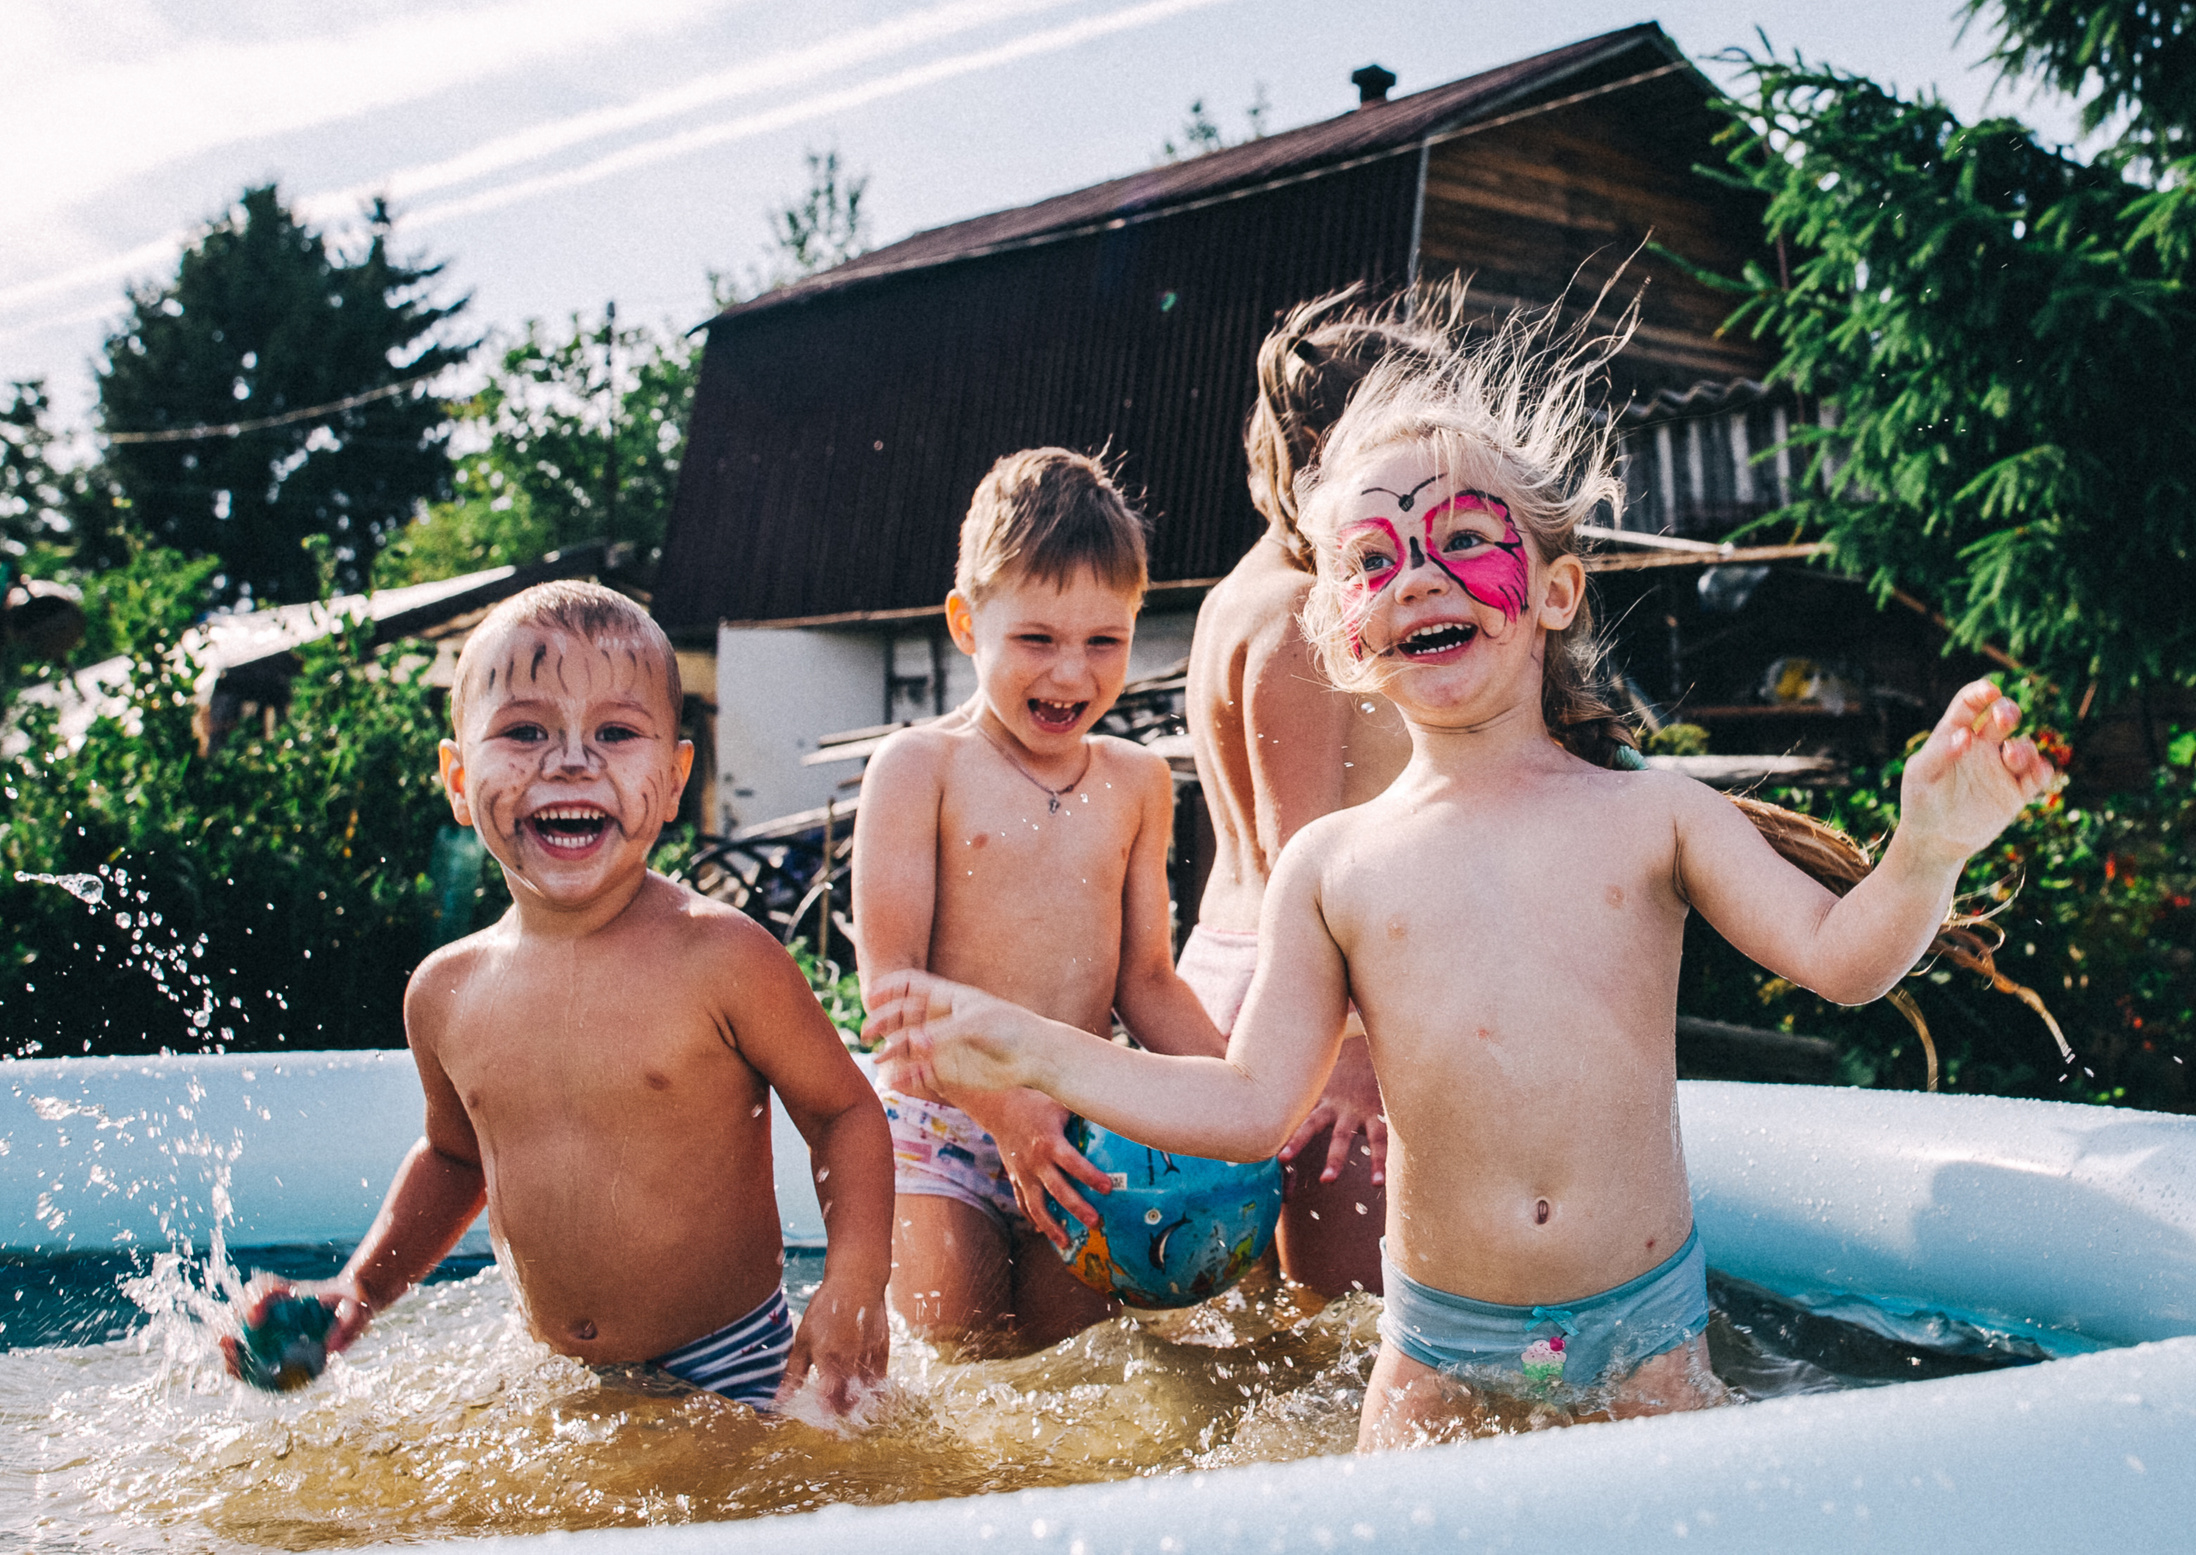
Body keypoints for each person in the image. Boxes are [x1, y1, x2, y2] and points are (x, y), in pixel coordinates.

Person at [867, 327, 2060, 1448]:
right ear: (1341, 635)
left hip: (1645, 1333)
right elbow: (1244, 1109)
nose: (1422, 577)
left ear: (1555, 592)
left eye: (1464, 542)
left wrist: (1926, 851)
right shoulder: (1334, 867)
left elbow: (1846, 961)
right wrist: (1028, 1050)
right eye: (1377, 561)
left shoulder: (1652, 816)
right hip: (1435, 1351)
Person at [227, 581, 895, 1414]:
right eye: (525, 731)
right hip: (555, 1373)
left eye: (615, 732)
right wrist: (356, 1289)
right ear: (459, 779)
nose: (573, 759)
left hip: (738, 1364)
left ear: (678, 773)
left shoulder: (719, 956)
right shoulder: (446, 990)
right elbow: (455, 1156)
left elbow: (845, 1113)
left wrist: (854, 1280)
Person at [853, 448, 1230, 1355]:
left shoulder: (1140, 781)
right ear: (966, 622)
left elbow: (1145, 981)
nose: (1071, 674)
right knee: (966, 1367)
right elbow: (892, 994)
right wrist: (1003, 1109)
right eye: (1037, 640)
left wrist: (1243, 1098)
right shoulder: (920, 770)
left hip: (1082, 1136)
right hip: (942, 1122)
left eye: (1104, 641)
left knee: (1076, 1371)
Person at [1181, 286, 1453, 1298]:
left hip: (1226, 971)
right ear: (1329, 444)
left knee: (1258, 1317)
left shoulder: (1233, 592)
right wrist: (1339, 1053)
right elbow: (1310, 861)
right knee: (1348, 1319)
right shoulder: (1305, 612)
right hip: (1304, 1001)